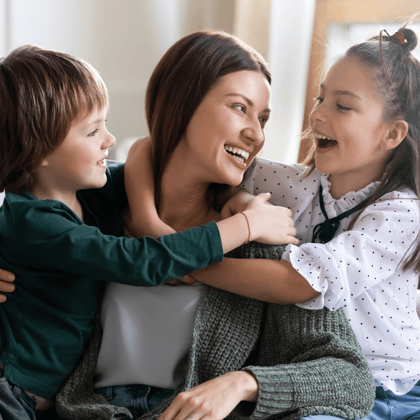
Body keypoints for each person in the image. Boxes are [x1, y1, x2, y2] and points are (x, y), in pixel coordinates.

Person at [50, 30, 374, 420]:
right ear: (182, 103)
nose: (256, 133)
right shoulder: (95, 209)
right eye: (240, 107)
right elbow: (22, 215)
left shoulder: (258, 239)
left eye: (264, 119)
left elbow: (352, 378)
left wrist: (241, 383)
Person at [139, 26, 419, 420]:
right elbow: (160, 151)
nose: (317, 113)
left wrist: (187, 261)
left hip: (381, 388)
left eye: (343, 106)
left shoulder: (402, 214)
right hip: (300, 373)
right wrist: (233, 202)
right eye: (321, 96)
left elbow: (299, 283)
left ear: (392, 133)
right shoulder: (296, 184)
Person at [0, 45, 294, 419]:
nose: (108, 139)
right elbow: (141, 261)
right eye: (92, 131)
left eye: (264, 118)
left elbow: (143, 152)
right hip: (12, 394)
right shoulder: (34, 220)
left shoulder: (88, 194)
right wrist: (245, 225)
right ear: (36, 149)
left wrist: (235, 202)